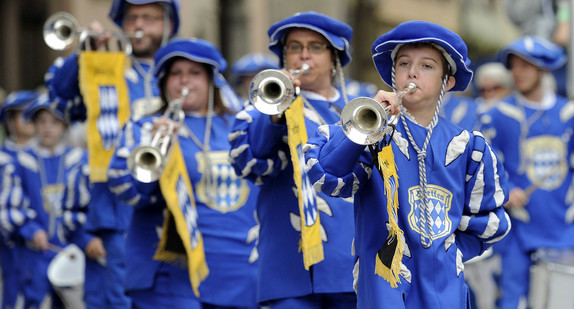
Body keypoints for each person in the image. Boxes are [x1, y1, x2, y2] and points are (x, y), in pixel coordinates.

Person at [304, 21, 511, 308]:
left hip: (445, 289)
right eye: (403, 64)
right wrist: (361, 129)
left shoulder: (469, 146)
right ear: (393, 75)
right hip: (383, 288)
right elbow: (326, 175)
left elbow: (490, 219)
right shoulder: (372, 137)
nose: (412, 72)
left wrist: (450, 253)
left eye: (427, 66)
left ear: (447, 81)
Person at [44, 1, 181, 307]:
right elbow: (60, 102)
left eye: (150, 17)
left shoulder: (186, 73)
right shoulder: (104, 65)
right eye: (132, 17)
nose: (139, 25)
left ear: (169, 24)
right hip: (118, 211)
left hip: (178, 206)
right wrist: (85, 54)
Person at [107, 38, 259, 308]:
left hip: (238, 267)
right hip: (171, 270)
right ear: (164, 82)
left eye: (194, 73)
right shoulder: (144, 126)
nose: (183, 81)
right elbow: (126, 192)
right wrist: (154, 153)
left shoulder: (240, 124)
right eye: (175, 73)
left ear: (212, 81)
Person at [228, 11, 357, 308]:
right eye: (294, 47)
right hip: (287, 265)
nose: (303, 57)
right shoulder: (257, 108)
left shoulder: (359, 111)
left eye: (314, 47)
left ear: (334, 56)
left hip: (348, 260)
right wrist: (274, 112)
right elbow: (253, 163)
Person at [478, 35, 574, 309]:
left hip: (562, 228)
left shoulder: (568, 114)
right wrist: (505, 193)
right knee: (511, 302)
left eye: (526, 66)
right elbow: (484, 169)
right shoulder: (497, 115)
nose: (517, 72)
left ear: (543, 69)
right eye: (514, 66)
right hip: (516, 229)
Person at [7, 93, 85, 308]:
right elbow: (11, 206)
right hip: (36, 253)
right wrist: (32, 230)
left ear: (64, 125)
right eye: (41, 122)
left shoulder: (78, 160)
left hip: (72, 252)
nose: (47, 128)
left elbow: (88, 206)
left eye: (54, 122)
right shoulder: (22, 162)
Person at [0, 90, 38, 309]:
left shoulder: (48, 155)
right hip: (16, 245)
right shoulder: (4, 158)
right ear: (10, 121)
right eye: (22, 115)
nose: (29, 121)